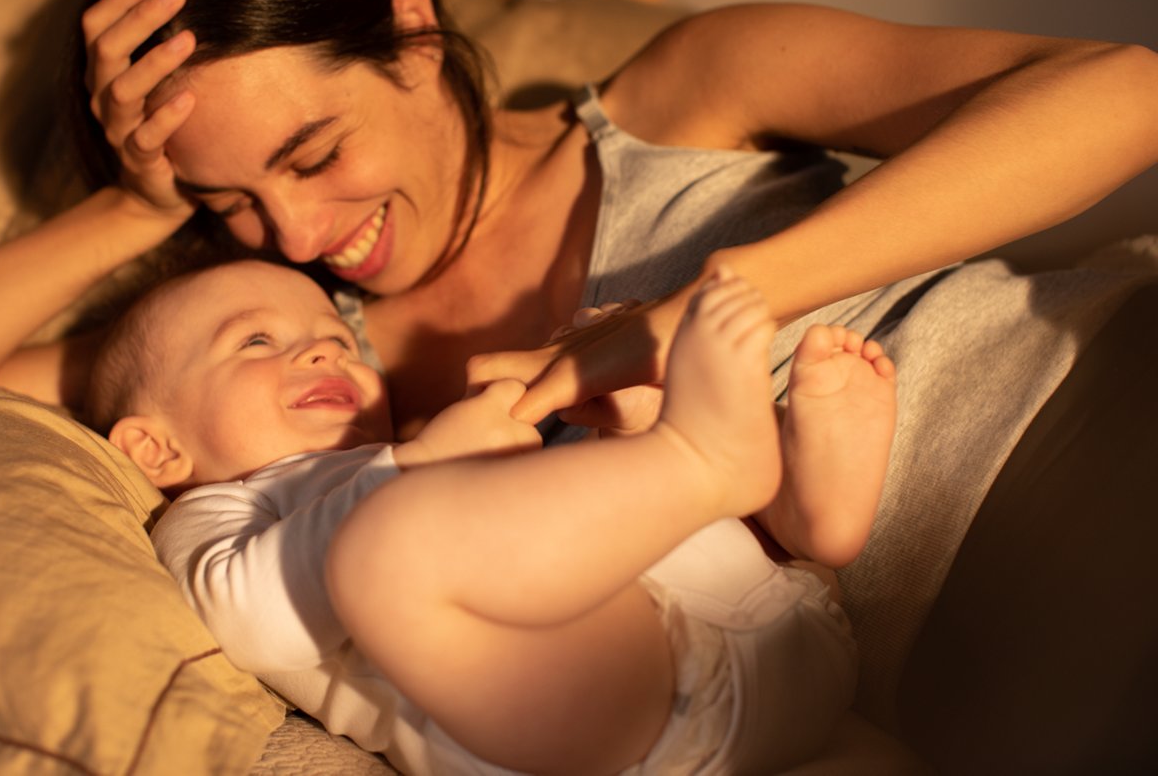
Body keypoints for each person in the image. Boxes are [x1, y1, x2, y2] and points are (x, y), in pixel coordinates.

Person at [0, 0, 1154, 720]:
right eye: (234, 200)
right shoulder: (300, 360)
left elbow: (1124, 91)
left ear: (414, 32)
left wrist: (713, 301)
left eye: (314, 149)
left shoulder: (682, 94)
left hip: (1080, 413)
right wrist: (135, 207)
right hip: (915, 674)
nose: (304, 232)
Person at [82, 255, 897, 774]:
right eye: (255, 342)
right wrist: (420, 464)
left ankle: (795, 520)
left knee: (575, 473)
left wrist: (604, 422)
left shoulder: (410, 446)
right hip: (615, 725)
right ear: (157, 451)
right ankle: (701, 462)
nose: (327, 351)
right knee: (388, 552)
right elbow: (257, 623)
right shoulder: (212, 514)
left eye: (338, 339)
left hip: (772, 639)